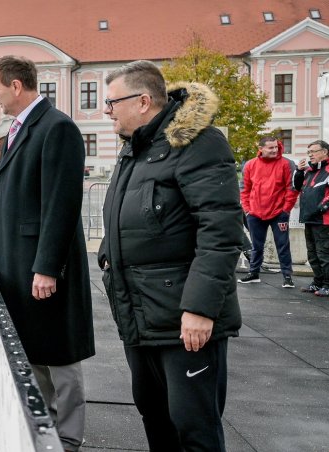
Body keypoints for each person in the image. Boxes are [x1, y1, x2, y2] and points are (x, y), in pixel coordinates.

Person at [97, 60, 242, 451]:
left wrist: (200, 309)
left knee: (192, 427)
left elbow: (222, 233)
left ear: (143, 101)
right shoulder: (137, 150)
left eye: (111, 102)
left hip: (184, 321)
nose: (106, 111)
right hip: (140, 316)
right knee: (155, 419)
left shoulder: (198, 143)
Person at [0, 55, 94, 452]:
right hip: (19, 261)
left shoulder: (56, 128)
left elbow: (61, 204)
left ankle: (70, 437)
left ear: (16, 86)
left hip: (42, 266)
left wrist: (46, 268)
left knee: (59, 353)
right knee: (35, 348)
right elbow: (9, 197)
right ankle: (46, 427)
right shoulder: (18, 131)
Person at [238, 136, 299, 287]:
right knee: (256, 246)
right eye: (270, 147)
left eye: (276, 147)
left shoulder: (287, 164)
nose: (274, 150)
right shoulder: (250, 165)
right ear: (261, 149)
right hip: (255, 213)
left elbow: (291, 189)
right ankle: (254, 273)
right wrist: (247, 209)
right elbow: (244, 188)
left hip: (279, 213)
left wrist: (285, 210)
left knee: (282, 245)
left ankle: (287, 277)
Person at [293, 140, 329, 297]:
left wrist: (320, 209)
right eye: (309, 151)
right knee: (313, 254)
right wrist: (298, 171)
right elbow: (298, 188)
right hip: (310, 219)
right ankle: (318, 282)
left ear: (325, 152)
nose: (310, 154)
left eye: (314, 151)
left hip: (326, 221)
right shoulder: (310, 170)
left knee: (327, 254)